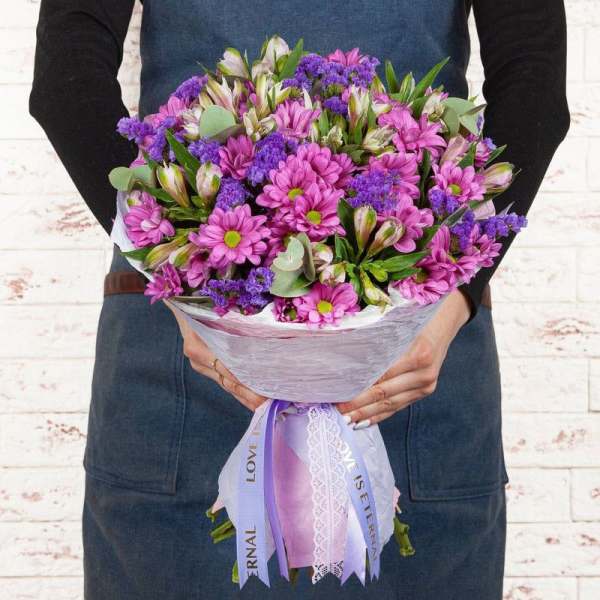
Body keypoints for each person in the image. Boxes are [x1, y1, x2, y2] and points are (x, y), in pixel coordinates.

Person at [30, 1, 569, 598]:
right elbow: (69, 74)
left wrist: (452, 300)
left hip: (415, 344)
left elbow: (532, 81)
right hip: (188, 361)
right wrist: (184, 280)